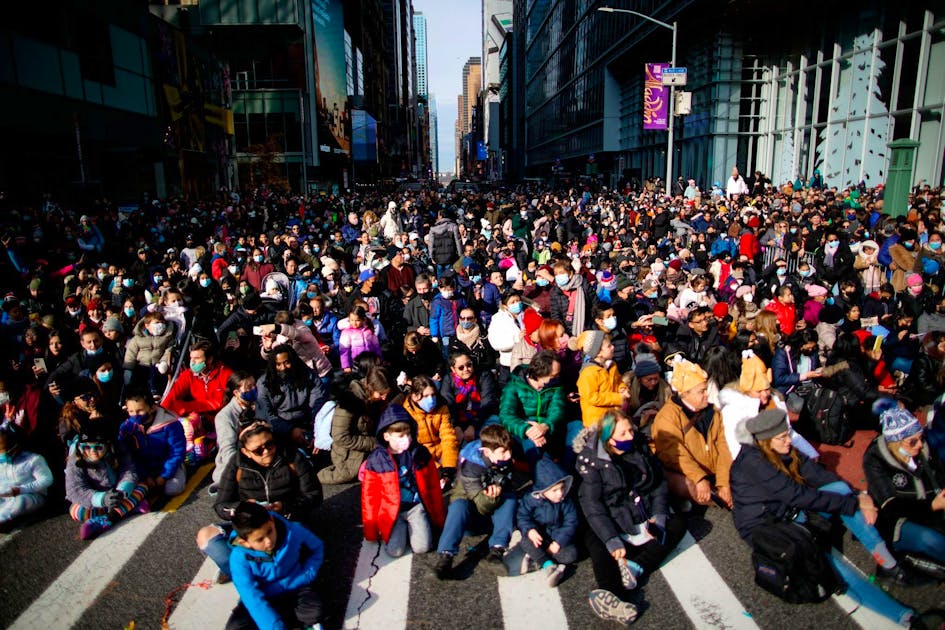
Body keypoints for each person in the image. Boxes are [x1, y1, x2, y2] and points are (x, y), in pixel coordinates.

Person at [732, 409, 918, 625]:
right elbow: (797, 496)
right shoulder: (754, 462)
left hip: (789, 511)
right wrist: (854, 503)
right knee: (828, 564)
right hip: (768, 527)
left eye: (788, 435)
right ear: (765, 441)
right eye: (782, 438)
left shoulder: (781, 449)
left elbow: (816, 474)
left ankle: (888, 564)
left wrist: (857, 495)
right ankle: (903, 617)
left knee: (839, 488)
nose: (788, 441)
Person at [574, 410, 686, 625]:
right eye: (623, 434)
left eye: (630, 431)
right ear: (609, 438)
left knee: (676, 524)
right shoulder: (592, 462)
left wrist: (659, 515)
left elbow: (658, 483)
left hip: (641, 512)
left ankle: (635, 567)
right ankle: (610, 593)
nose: (630, 437)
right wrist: (611, 539)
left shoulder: (639, 448)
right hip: (613, 517)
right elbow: (592, 505)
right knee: (596, 539)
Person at [198, 421, 322, 580]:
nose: (266, 452)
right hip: (251, 525)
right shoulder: (237, 464)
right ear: (246, 452)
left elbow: (315, 495)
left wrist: (284, 506)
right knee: (206, 536)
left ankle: (258, 572)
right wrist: (244, 508)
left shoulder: (293, 457)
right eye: (258, 450)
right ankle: (248, 573)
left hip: (288, 521)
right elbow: (221, 505)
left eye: (269, 444)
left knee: (299, 549)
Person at [863, 406, 945, 578]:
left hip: (932, 506)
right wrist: (932, 505)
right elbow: (892, 507)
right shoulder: (875, 460)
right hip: (899, 522)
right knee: (931, 540)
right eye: (912, 442)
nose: (920, 444)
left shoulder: (923, 447)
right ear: (895, 443)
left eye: (920, 438)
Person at [433, 424, 522, 579]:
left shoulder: (501, 458)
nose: (508, 456)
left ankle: (496, 551)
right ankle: (445, 557)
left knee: (510, 498)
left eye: (509, 450)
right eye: (503, 452)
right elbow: (483, 506)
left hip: (490, 512)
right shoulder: (471, 467)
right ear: (486, 451)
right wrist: (493, 495)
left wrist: (501, 487)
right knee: (459, 506)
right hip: (470, 516)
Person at [361, 405, 447, 557]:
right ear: (386, 436)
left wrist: (439, 519)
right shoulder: (376, 459)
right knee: (395, 551)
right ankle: (403, 530)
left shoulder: (420, 453)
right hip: (392, 511)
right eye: (400, 436)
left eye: (408, 434)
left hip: (416, 507)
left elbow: (433, 486)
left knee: (422, 548)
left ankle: (416, 528)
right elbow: (370, 497)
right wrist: (371, 531)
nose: (406, 439)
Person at [225, 501, 325, 630]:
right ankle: (283, 620)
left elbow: (317, 547)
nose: (268, 541)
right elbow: (251, 595)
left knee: (314, 611)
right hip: (265, 595)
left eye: (270, 531)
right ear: (244, 543)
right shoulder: (238, 558)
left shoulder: (293, 530)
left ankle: (303, 623)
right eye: (260, 539)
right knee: (235, 627)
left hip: (295, 587)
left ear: (271, 520)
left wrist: (307, 574)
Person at [651, 359, 733, 508]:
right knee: (694, 489)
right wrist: (699, 478)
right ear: (685, 394)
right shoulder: (667, 417)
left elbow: (723, 444)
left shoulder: (713, 411)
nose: (707, 395)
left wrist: (723, 482)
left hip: (714, 470)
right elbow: (674, 454)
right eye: (701, 391)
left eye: (706, 389)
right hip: (686, 473)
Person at [65, 425, 149, 540]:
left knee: (142, 487)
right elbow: (74, 489)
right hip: (96, 498)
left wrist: (122, 491)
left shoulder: (119, 449)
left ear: (108, 445)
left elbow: (129, 471)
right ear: (80, 446)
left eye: (98, 447)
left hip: (118, 492)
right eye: (86, 447)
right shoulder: (75, 459)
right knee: (76, 511)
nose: (92, 452)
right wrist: (101, 499)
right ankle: (129, 508)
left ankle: (108, 519)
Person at [318, 367, 393, 484]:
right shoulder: (349, 401)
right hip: (349, 450)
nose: (384, 397)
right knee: (345, 475)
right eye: (381, 394)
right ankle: (313, 477)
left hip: (372, 442)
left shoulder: (377, 399)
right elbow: (340, 436)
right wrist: (374, 443)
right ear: (371, 387)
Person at [514, 456, 579, 586]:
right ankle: (548, 565)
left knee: (572, 554)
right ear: (543, 490)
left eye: (561, 488)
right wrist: (530, 530)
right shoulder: (531, 500)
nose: (560, 493)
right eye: (554, 490)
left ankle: (538, 559)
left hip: (556, 536)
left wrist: (559, 542)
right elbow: (522, 516)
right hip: (540, 535)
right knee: (525, 541)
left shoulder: (565, 501)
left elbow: (571, 522)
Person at [255, 344, 329, 449]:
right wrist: (290, 430)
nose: (283, 368)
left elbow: (318, 403)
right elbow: (266, 415)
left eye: (287, 363)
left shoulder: (308, 376)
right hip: (280, 427)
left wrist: (316, 431)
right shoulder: (265, 384)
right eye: (278, 364)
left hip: (307, 422)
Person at [500, 350, 567, 463]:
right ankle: (547, 475)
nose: (558, 377)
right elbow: (506, 414)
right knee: (532, 444)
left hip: (549, 427)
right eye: (553, 376)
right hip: (524, 427)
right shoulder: (515, 384)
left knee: (577, 429)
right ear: (540, 374)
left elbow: (557, 410)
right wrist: (527, 430)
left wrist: (545, 426)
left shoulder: (556, 385)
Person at [120, 391, 187, 498]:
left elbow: (177, 452)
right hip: (143, 468)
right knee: (135, 489)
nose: (135, 415)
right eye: (131, 411)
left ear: (152, 408)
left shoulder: (170, 424)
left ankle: (181, 471)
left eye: (140, 411)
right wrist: (145, 476)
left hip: (167, 465)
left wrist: (164, 476)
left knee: (172, 489)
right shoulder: (127, 428)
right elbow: (131, 455)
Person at [397, 375, 458, 485]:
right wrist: (437, 469)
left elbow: (448, 437)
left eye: (433, 395)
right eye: (426, 396)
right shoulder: (406, 414)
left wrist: (449, 466)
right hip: (422, 459)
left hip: (441, 452)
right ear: (415, 397)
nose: (431, 400)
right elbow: (412, 448)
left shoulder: (442, 408)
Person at [162, 341, 234, 419]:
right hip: (198, 418)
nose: (192, 362)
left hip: (222, 418)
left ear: (210, 359)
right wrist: (161, 414)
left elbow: (221, 402)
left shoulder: (225, 373)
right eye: (191, 358)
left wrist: (187, 407)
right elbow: (171, 397)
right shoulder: (188, 374)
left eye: (197, 358)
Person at [0, 423, 53, 527]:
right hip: (4, 496)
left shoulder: (33, 459)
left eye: (3, 450)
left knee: (20, 502)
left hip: (30, 496)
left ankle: (2, 519)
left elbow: (47, 479)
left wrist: (19, 490)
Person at [439, 351, 499, 443]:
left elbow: (487, 402)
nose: (466, 369)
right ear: (453, 369)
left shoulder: (483, 375)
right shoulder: (448, 380)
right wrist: (456, 426)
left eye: (469, 365)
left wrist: (473, 425)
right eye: (461, 367)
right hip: (457, 418)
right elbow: (448, 404)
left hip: (482, 416)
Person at [573, 331, 628, 427]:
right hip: (597, 422)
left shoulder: (611, 365)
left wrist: (622, 388)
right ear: (598, 353)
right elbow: (592, 397)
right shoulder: (589, 373)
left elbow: (618, 381)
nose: (613, 347)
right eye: (609, 346)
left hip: (613, 417)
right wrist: (618, 398)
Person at [212, 371, 257, 486]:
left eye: (254, 385)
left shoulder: (259, 404)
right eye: (249, 387)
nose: (254, 389)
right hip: (240, 462)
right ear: (236, 393)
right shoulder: (224, 417)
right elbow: (228, 451)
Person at [338, 305, 382, 373]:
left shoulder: (368, 330)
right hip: (356, 363)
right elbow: (344, 351)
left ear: (363, 319)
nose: (354, 323)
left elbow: (376, 346)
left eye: (357, 320)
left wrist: (379, 357)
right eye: (352, 320)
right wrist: (346, 365)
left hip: (370, 362)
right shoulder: (347, 332)